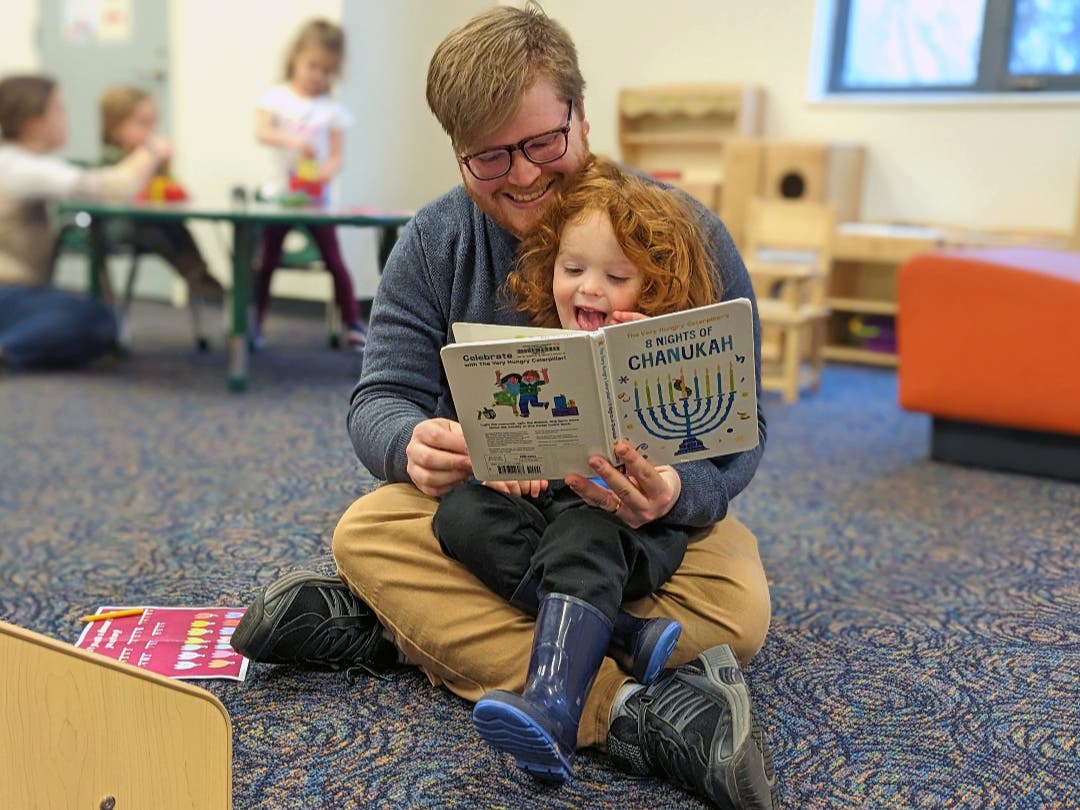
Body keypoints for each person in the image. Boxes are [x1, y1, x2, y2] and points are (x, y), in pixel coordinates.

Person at [231, 6, 776, 808]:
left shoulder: (684, 231)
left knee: (740, 608)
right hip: (503, 516)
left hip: (642, 524)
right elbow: (380, 396)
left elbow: (745, 425)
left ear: (581, 115)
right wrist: (411, 442)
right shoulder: (434, 241)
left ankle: (392, 631)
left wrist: (679, 491)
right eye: (488, 157)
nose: (520, 176)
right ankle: (629, 709)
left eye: (541, 144)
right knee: (369, 531)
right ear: (457, 153)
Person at [432, 157, 728, 782]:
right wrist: (499, 460)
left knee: (581, 535)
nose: (589, 288)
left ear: (652, 289)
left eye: (617, 276)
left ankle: (555, 705)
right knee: (460, 515)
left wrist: (664, 467)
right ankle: (623, 634)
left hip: (630, 530)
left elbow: (716, 453)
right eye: (572, 269)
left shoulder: (664, 352)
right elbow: (474, 424)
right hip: (548, 510)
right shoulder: (537, 345)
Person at [0, 74, 170, 369]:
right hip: (9, 292)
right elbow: (115, 188)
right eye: (59, 109)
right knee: (97, 319)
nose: (65, 117)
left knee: (79, 312)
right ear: (33, 122)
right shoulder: (23, 167)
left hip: (17, 295)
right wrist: (152, 150)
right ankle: (9, 347)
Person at [252, 18, 365, 349]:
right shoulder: (276, 98)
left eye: (327, 70)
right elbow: (261, 131)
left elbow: (336, 156)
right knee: (267, 260)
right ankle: (253, 322)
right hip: (282, 198)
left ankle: (353, 323)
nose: (318, 75)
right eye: (312, 66)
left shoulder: (332, 110)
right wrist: (290, 140)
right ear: (295, 58)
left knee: (334, 260)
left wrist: (326, 171)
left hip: (316, 201)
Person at [98, 85, 224, 300]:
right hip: (118, 226)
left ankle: (198, 272)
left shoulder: (149, 159)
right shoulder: (110, 158)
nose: (150, 132)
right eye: (142, 124)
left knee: (175, 226)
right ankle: (193, 273)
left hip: (151, 221)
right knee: (152, 228)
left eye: (153, 124)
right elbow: (121, 189)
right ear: (115, 127)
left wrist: (165, 167)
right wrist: (146, 159)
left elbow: (161, 192)